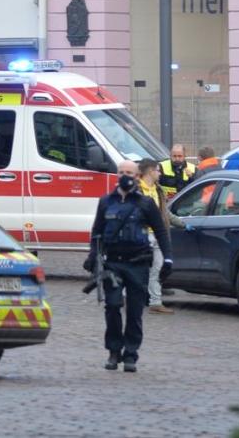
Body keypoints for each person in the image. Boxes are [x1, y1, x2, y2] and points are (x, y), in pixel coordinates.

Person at [84, 160, 173, 373]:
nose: (125, 176)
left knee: (134, 312)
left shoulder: (145, 203)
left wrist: (168, 258)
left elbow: (160, 230)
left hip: (138, 263)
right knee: (113, 306)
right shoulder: (106, 202)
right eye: (121, 172)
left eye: (130, 173)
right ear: (116, 175)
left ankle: (131, 354)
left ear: (137, 176)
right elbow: (97, 231)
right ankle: (114, 351)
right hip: (113, 262)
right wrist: (93, 255)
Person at [137, 159, 184, 315]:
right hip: (141, 235)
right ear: (150, 171)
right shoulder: (136, 190)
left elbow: (165, 213)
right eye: (157, 170)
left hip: (158, 234)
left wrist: (181, 224)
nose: (160, 173)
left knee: (158, 268)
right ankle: (131, 297)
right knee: (137, 269)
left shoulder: (158, 190)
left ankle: (155, 302)